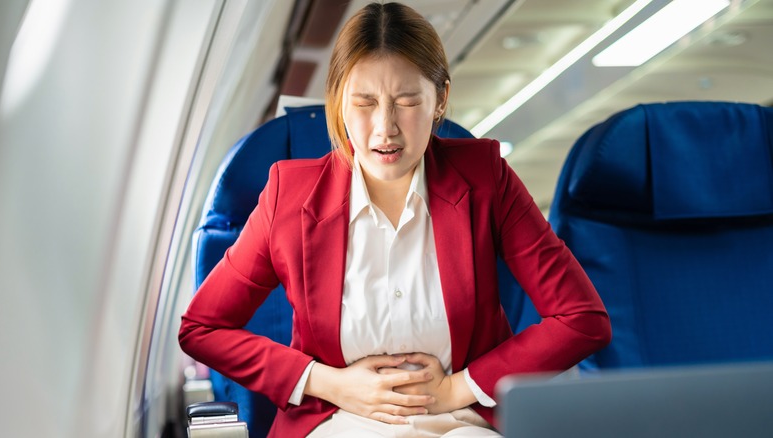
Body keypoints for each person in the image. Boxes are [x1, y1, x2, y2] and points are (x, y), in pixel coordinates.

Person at [179, 2, 611, 437]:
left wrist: (459, 387)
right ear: (338, 102)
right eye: (364, 102)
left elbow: (582, 318)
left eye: (406, 102)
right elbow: (201, 328)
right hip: (337, 420)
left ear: (440, 99)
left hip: (460, 421)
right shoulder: (288, 197)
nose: (385, 128)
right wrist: (332, 384)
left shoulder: (486, 179)